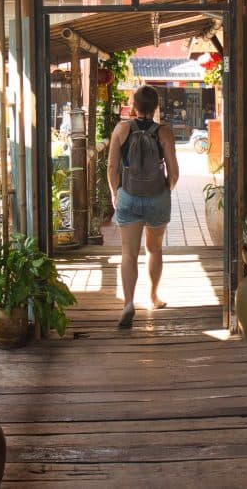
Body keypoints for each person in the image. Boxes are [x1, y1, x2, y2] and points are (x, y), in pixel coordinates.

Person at [107, 85, 179, 329]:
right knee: (154, 249)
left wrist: (116, 193)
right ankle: (153, 297)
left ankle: (128, 303)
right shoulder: (165, 132)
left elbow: (111, 168)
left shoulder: (121, 129)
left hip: (128, 195)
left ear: (133, 105)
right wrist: (165, 190)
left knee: (128, 253)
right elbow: (174, 171)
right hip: (157, 197)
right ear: (156, 106)